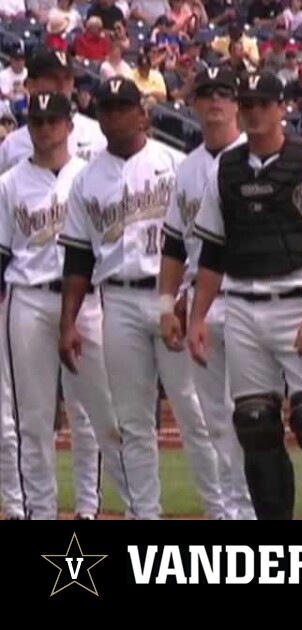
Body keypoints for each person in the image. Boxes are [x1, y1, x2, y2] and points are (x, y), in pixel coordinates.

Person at [187, 71, 302, 521]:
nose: (254, 112)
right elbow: (212, 249)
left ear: (282, 108)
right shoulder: (225, 168)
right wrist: (197, 318)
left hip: (297, 299)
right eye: (247, 103)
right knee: (255, 425)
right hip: (243, 302)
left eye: (264, 103)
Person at [58, 77, 224, 521]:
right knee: (131, 421)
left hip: (172, 294)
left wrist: (192, 298)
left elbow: (203, 239)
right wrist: (68, 321)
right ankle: (143, 515)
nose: (113, 115)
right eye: (107, 108)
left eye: (122, 107)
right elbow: (77, 259)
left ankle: (221, 510)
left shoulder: (176, 166)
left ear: (142, 113)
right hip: (117, 299)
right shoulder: (85, 179)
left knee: (195, 411)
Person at [0, 92, 129, 520]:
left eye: (53, 120)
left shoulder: (88, 176)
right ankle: (40, 510)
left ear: (69, 126)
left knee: (101, 413)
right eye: (37, 121)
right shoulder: (10, 183)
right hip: (30, 298)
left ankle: (94, 508)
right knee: (33, 419)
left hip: (86, 300)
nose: (45, 128)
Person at [156, 67, 255, 520]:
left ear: (237, 103)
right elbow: (174, 245)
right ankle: (230, 513)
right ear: (193, 104)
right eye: (206, 93)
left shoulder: (256, 156)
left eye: (224, 92)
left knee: (252, 416)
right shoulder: (187, 168)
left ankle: (255, 510)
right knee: (216, 419)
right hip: (204, 304)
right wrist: (166, 306)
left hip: (252, 296)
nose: (215, 101)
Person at [0, 50, 107, 173]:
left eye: (67, 78)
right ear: (31, 85)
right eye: (53, 78)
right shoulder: (12, 145)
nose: (62, 86)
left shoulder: (97, 133)